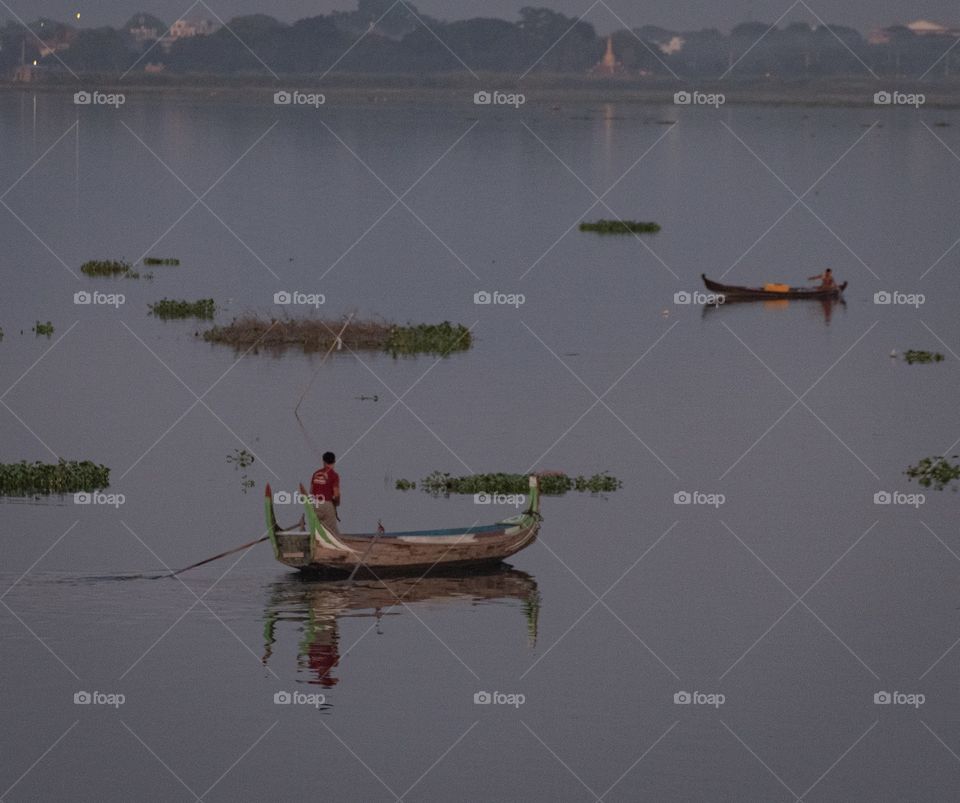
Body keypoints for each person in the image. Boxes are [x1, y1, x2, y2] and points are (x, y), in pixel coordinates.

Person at [310, 452, 341, 536]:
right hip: (327, 504)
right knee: (332, 533)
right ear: (334, 462)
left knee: (317, 531)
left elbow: (311, 491)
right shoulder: (334, 475)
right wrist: (337, 503)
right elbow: (336, 494)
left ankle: (317, 546)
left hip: (315, 504)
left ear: (323, 462)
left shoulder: (316, 474)